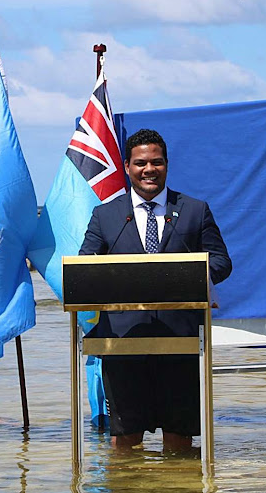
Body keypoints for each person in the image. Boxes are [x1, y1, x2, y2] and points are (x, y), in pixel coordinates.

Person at [79, 128, 232, 450]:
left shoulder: (193, 210)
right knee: (124, 438)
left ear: (166, 165)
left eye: (157, 162)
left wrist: (185, 279)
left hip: (180, 337)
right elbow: (85, 266)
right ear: (127, 167)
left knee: (179, 437)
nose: (149, 169)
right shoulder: (105, 215)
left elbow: (221, 261)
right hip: (121, 340)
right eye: (141, 163)